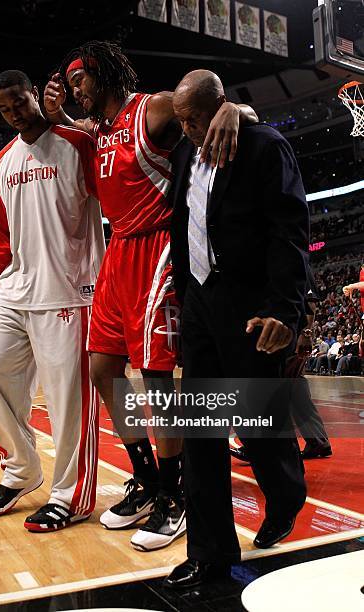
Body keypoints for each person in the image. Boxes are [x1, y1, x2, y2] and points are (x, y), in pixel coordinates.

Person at [43, 40, 258, 551]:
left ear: (107, 73)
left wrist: (234, 108)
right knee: (101, 370)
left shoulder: (151, 108)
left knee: (157, 378)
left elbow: (210, 105)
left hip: (159, 247)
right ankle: (148, 483)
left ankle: (177, 496)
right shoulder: (95, 134)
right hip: (117, 251)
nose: (76, 90)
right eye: (70, 83)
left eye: (81, 80)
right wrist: (54, 114)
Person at [165, 69, 308, 589]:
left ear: (219, 106)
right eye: (181, 121)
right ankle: (210, 553)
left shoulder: (266, 148)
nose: (187, 130)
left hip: (252, 306)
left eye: (195, 119)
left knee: (259, 428)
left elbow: (290, 232)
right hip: (201, 304)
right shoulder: (183, 151)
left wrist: (285, 309)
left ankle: (287, 494)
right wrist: (184, 302)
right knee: (201, 433)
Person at [0, 70, 105, 532]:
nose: (13, 113)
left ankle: (72, 496)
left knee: (68, 401)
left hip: (69, 292)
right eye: (5, 109)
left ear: (35, 94)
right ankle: (21, 470)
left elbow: (114, 183)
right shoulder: (1, 162)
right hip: (15, 291)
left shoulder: (75, 144)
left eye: (19, 102)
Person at [230, 267, 333, 461]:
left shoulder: (296, 262)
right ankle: (317, 441)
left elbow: (310, 302)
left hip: (288, 338)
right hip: (284, 337)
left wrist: (306, 334)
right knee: (294, 389)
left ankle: (261, 447)